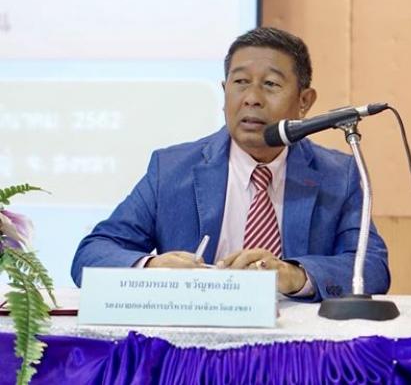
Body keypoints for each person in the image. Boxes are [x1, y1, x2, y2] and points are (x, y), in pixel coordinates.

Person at [71, 27, 390, 301]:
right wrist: (152, 268)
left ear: (304, 101)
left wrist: (294, 275)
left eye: (270, 84)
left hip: (296, 340)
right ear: (224, 93)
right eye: (240, 82)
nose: (251, 98)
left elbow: (372, 267)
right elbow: (92, 254)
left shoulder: (338, 175)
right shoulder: (171, 169)